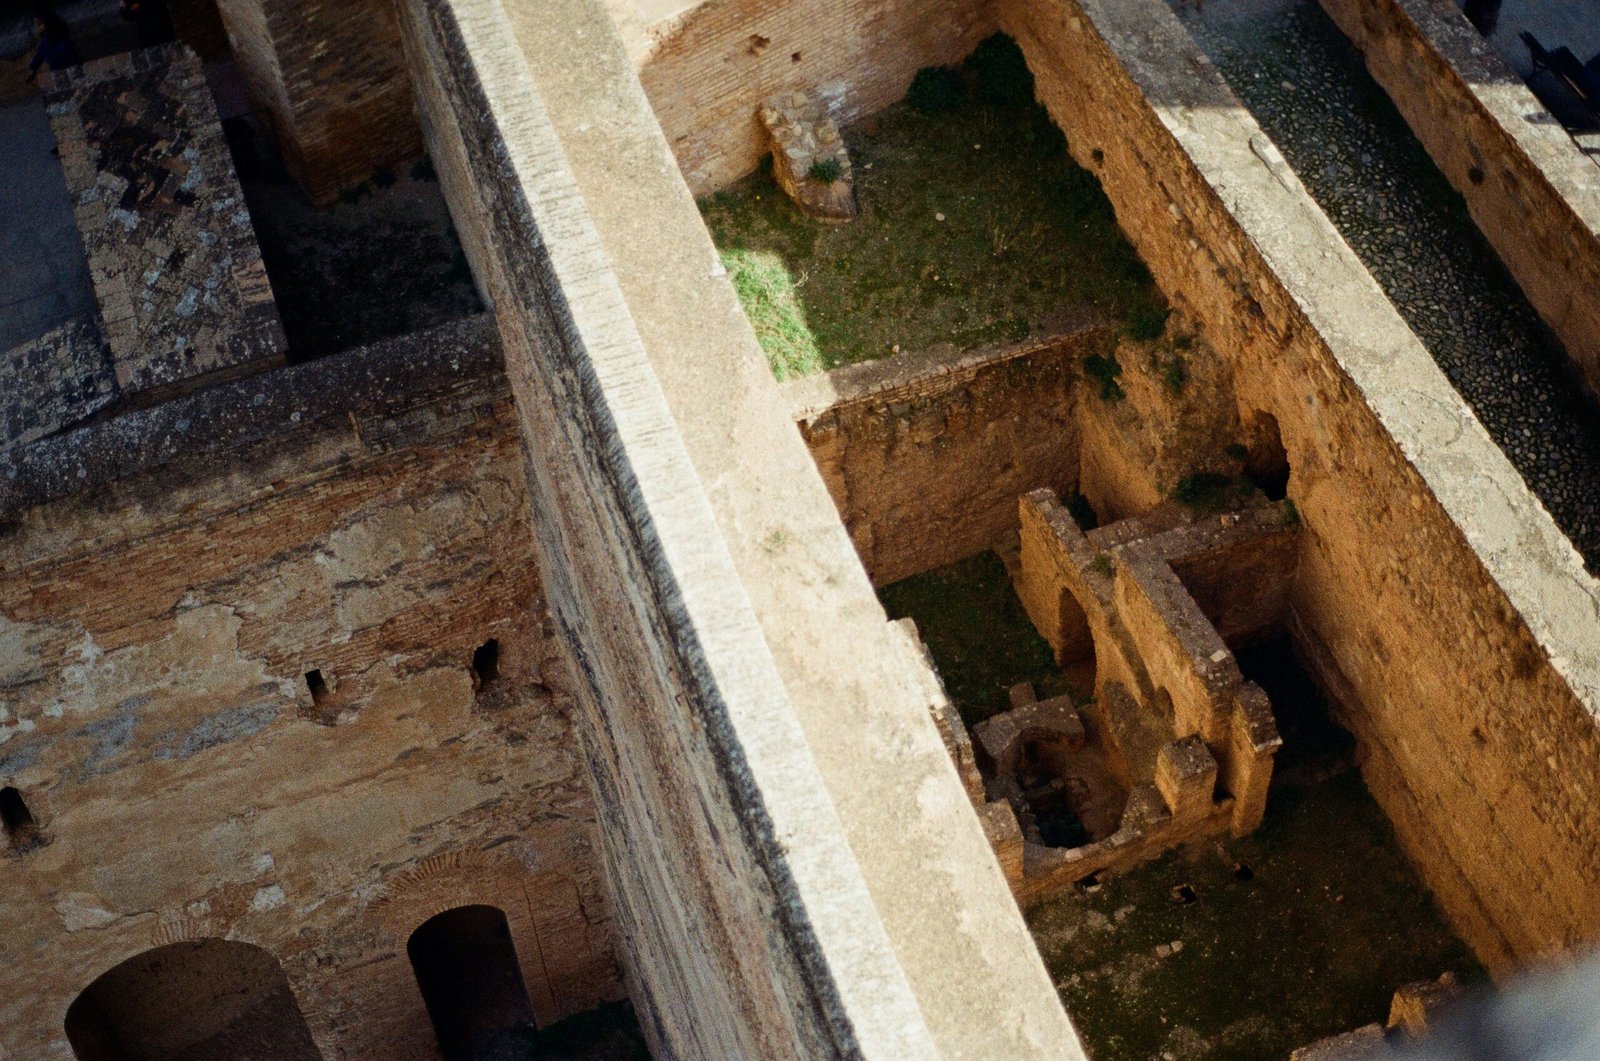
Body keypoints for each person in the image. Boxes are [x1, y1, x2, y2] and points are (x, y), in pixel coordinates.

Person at [24, 10, 80, 84]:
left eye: (39, 24)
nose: (36, 28)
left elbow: (40, 54)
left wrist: (33, 69)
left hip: (63, 68)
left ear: (46, 24)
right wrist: (33, 69)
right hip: (64, 67)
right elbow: (39, 54)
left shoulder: (48, 39)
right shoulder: (55, 36)